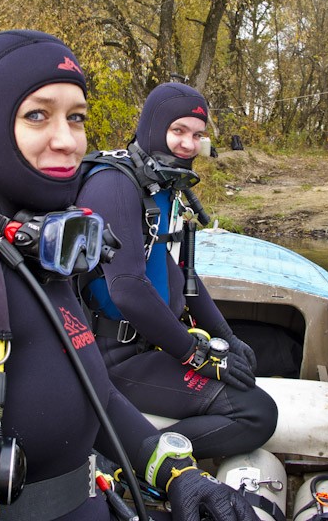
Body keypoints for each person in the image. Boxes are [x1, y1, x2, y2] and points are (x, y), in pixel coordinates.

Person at [0, 31, 256, 521]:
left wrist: (177, 473)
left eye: (76, 117)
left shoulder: (40, 250)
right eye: (37, 115)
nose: (68, 140)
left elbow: (95, 394)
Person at [76, 82, 278, 460]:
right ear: (153, 128)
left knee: (259, 360)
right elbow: (128, 289)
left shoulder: (158, 184)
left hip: (149, 343)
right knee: (256, 414)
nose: (188, 144)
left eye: (197, 135)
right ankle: (136, 461)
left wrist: (226, 337)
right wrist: (197, 355)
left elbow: (177, 270)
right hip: (113, 358)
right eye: (178, 131)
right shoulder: (115, 184)